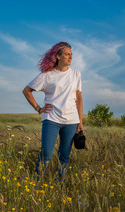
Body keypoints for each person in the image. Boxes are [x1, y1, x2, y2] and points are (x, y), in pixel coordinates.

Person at [22, 42, 84, 181]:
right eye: (67, 54)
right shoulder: (47, 75)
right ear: (57, 56)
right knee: (46, 154)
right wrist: (38, 108)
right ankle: (37, 184)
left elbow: (79, 97)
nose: (70, 57)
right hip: (51, 119)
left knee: (64, 156)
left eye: (71, 54)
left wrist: (80, 121)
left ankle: (59, 185)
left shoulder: (75, 74)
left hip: (71, 121)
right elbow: (27, 91)